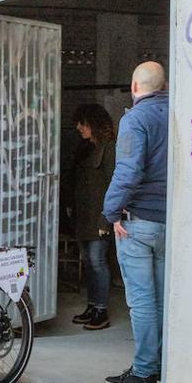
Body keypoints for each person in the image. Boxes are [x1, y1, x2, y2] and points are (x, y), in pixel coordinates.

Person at [102, 62, 168, 383]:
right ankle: (162, 367)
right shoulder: (177, 113)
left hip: (138, 223)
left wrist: (111, 212)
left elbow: (128, 171)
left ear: (134, 86)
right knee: (161, 299)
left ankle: (144, 373)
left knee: (141, 301)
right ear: (164, 85)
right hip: (169, 222)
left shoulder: (135, 119)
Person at [70, 104, 117, 330]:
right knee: (89, 263)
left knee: (98, 263)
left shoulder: (110, 149)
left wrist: (106, 219)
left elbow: (113, 185)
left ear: (95, 124)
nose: (79, 127)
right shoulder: (85, 148)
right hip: (83, 216)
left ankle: (101, 309)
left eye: (83, 123)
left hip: (99, 217)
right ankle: (92, 305)